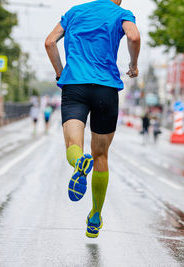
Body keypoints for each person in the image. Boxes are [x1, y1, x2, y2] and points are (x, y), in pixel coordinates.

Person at [45, 0, 140, 238]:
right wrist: (133, 65)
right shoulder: (121, 13)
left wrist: (60, 73)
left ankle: (79, 164)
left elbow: (49, 42)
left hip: (74, 86)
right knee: (101, 155)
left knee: (73, 146)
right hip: (105, 90)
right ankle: (95, 216)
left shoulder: (75, 12)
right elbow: (134, 37)